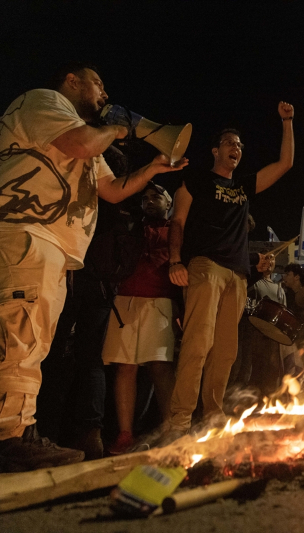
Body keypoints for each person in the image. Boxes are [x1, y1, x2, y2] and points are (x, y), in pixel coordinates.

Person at [0, 62, 187, 471]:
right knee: (20, 334)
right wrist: (118, 129)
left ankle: (18, 431)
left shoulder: (79, 131)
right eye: (97, 83)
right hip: (19, 231)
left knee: (31, 340)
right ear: (72, 82)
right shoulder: (43, 102)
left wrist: (153, 169)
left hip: (44, 241)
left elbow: (112, 189)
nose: (105, 93)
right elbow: (84, 144)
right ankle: (8, 439)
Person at [165, 102, 294, 440]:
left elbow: (285, 164)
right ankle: (179, 420)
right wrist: (175, 260)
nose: (236, 148)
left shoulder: (243, 187)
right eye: (229, 143)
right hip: (205, 267)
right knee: (197, 344)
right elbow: (177, 221)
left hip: (237, 276)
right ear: (215, 150)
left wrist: (287, 122)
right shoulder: (195, 180)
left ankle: (212, 416)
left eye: (239, 145)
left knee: (226, 352)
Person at [101, 183, 178, 455]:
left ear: (169, 202)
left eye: (156, 196)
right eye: (144, 198)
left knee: (160, 366)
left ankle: (171, 428)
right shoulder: (132, 227)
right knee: (125, 367)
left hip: (160, 301)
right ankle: (125, 434)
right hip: (124, 301)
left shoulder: (176, 231)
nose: (149, 201)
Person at [248, 253, 289, 397]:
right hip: (253, 334)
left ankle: (267, 402)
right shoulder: (253, 282)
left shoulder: (279, 289)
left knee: (271, 372)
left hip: (272, 338)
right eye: (266, 258)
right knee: (253, 371)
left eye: (272, 258)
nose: (269, 261)